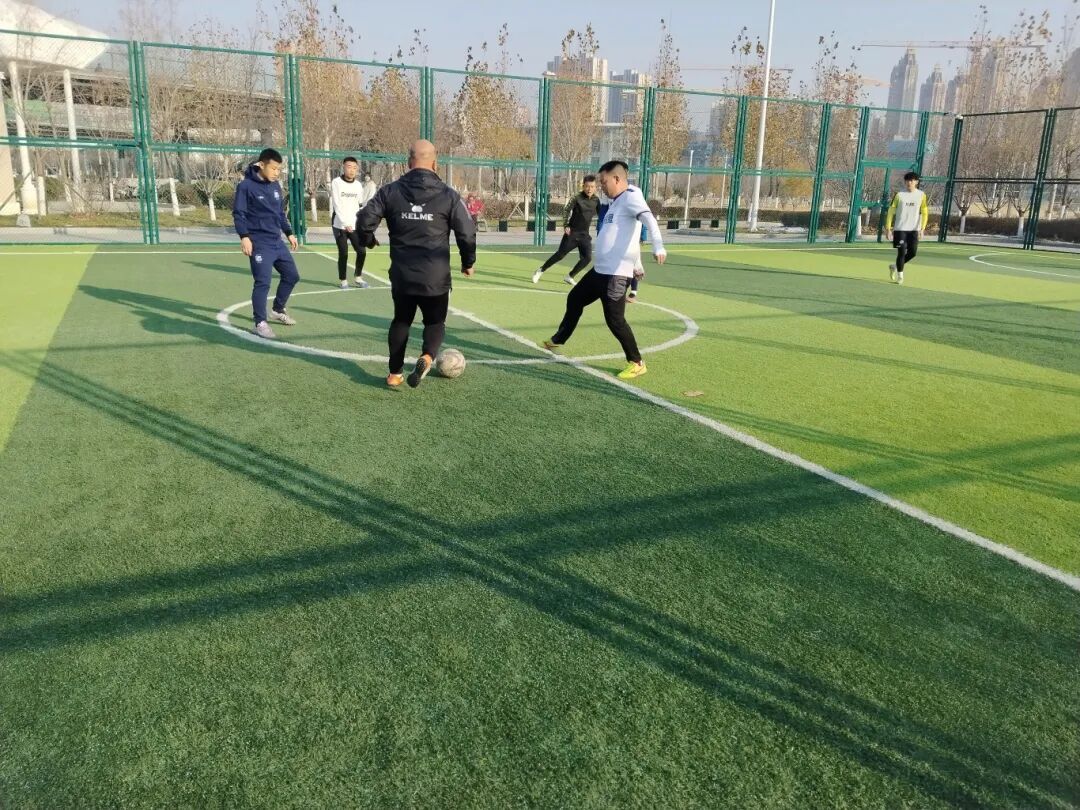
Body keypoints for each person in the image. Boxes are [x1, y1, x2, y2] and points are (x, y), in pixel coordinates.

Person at [357, 139, 476, 388]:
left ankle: (394, 374)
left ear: (409, 162)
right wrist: (468, 262)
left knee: (401, 321)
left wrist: (368, 240)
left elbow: (364, 219)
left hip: (403, 275)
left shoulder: (390, 191)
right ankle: (427, 356)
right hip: (436, 276)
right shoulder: (449, 195)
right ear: (435, 163)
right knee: (435, 322)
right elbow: (467, 232)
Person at [544, 160, 665, 380]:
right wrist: (637, 263)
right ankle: (559, 339)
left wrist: (658, 246)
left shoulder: (631, 196)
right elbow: (628, 237)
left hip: (616, 275)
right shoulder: (615, 202)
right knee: (575, 298)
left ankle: (637, 362)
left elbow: (648, 219)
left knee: (615, 320)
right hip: (600, 271)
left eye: (604, 181)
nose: (601, 186)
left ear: (617, 179)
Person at [232, 147, 300, 339]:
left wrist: (289, 233)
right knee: (263, 282)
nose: (277, 173)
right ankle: (260, 323)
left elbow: (279, 213)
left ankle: (277, 309)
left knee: (292, 276)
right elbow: (239, 214)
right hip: (259, 243)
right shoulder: (246, 186)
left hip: (276, 241)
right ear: (261, 165)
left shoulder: (275, 186)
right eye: (274, 168)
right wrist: (244, 236)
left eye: (279, 169)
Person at [532, 175, 599, 286]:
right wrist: (566, 225)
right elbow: (566, 210)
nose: (589, 189)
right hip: (572, 233)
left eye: (592, 187)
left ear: (595, 188)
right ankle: (540, 270)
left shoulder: (596, 200)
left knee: (587, 258)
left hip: (584, 235)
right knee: (560, 255)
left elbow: (602, 215)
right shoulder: (577, 198)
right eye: (587, 186)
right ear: (583, 186)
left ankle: (570, 276)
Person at [329, 157, 372, 289]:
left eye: (354, 168)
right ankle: (343, 280)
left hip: (354, 225)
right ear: (343, 167)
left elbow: (359, 205)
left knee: (362, 251)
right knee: (344, 253)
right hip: (339, 225)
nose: (352, 170)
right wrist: (345, 222)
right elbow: (336, 205)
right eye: (349, 167)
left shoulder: (358, 185)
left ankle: (358, 277)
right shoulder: (336, 182)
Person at [884, 170, 928, 285]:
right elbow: (891, 212)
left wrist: (922, 229)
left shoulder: (922, 195)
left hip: (914, 230)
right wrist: (888, 229)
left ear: (916, 182)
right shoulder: (899, 195)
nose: (909, 183)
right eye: (907, 180)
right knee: (902, 252)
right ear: (905, 182)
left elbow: (925, 212)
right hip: (900, 229)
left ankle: (895, 266)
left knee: (913, 253)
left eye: (912, 180)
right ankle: (900, 276)